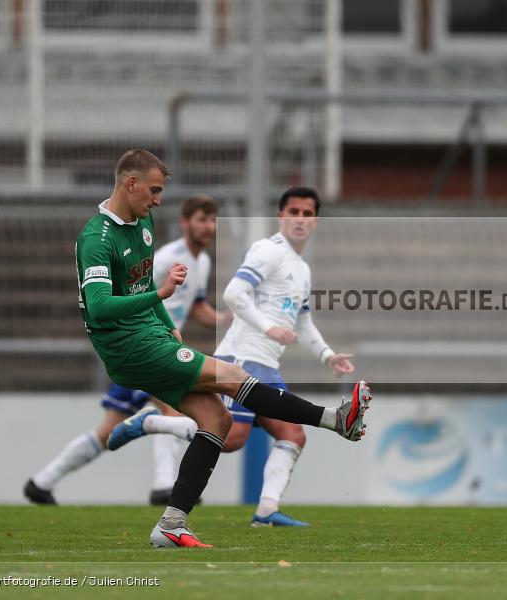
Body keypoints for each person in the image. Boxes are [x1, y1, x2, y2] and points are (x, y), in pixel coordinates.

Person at [71, 149, 370, 548]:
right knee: (234, 378)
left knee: (218, 422)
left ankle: (171, 525)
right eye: (154, 190)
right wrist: (161, 294)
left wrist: (166, 326)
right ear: (131, 183)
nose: (158, 200)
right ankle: (335, 419)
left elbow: (142, 290)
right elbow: (100, 307)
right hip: (127, 347)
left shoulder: (143, 225)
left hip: (151, 338)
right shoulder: (97, 238)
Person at [110, 187, 354, 527]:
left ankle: (266, 512)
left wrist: (328, 356)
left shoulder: (302, 269)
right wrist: (268, 327)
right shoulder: (268, 251)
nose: (300, 219)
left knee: (292, 436)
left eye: (307, 213)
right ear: (281, 216)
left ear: (315, 220)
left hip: (267, 362)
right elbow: (233, 293)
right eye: (294, 212)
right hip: (243, 357)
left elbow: (303, 321)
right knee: (233, 437)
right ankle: (151, 422)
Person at [23, 195, 230, 506]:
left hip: (162, 346)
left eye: (213, 220)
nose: (208, 227)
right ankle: (164, 486)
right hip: (143, 346)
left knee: (110, 430)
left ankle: (42, 482)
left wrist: (228, 318)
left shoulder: (201, 261)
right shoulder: (165, 258)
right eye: (201, 219)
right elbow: (141, 294)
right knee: (171, 411)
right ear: (184, 223)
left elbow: (196, 306)